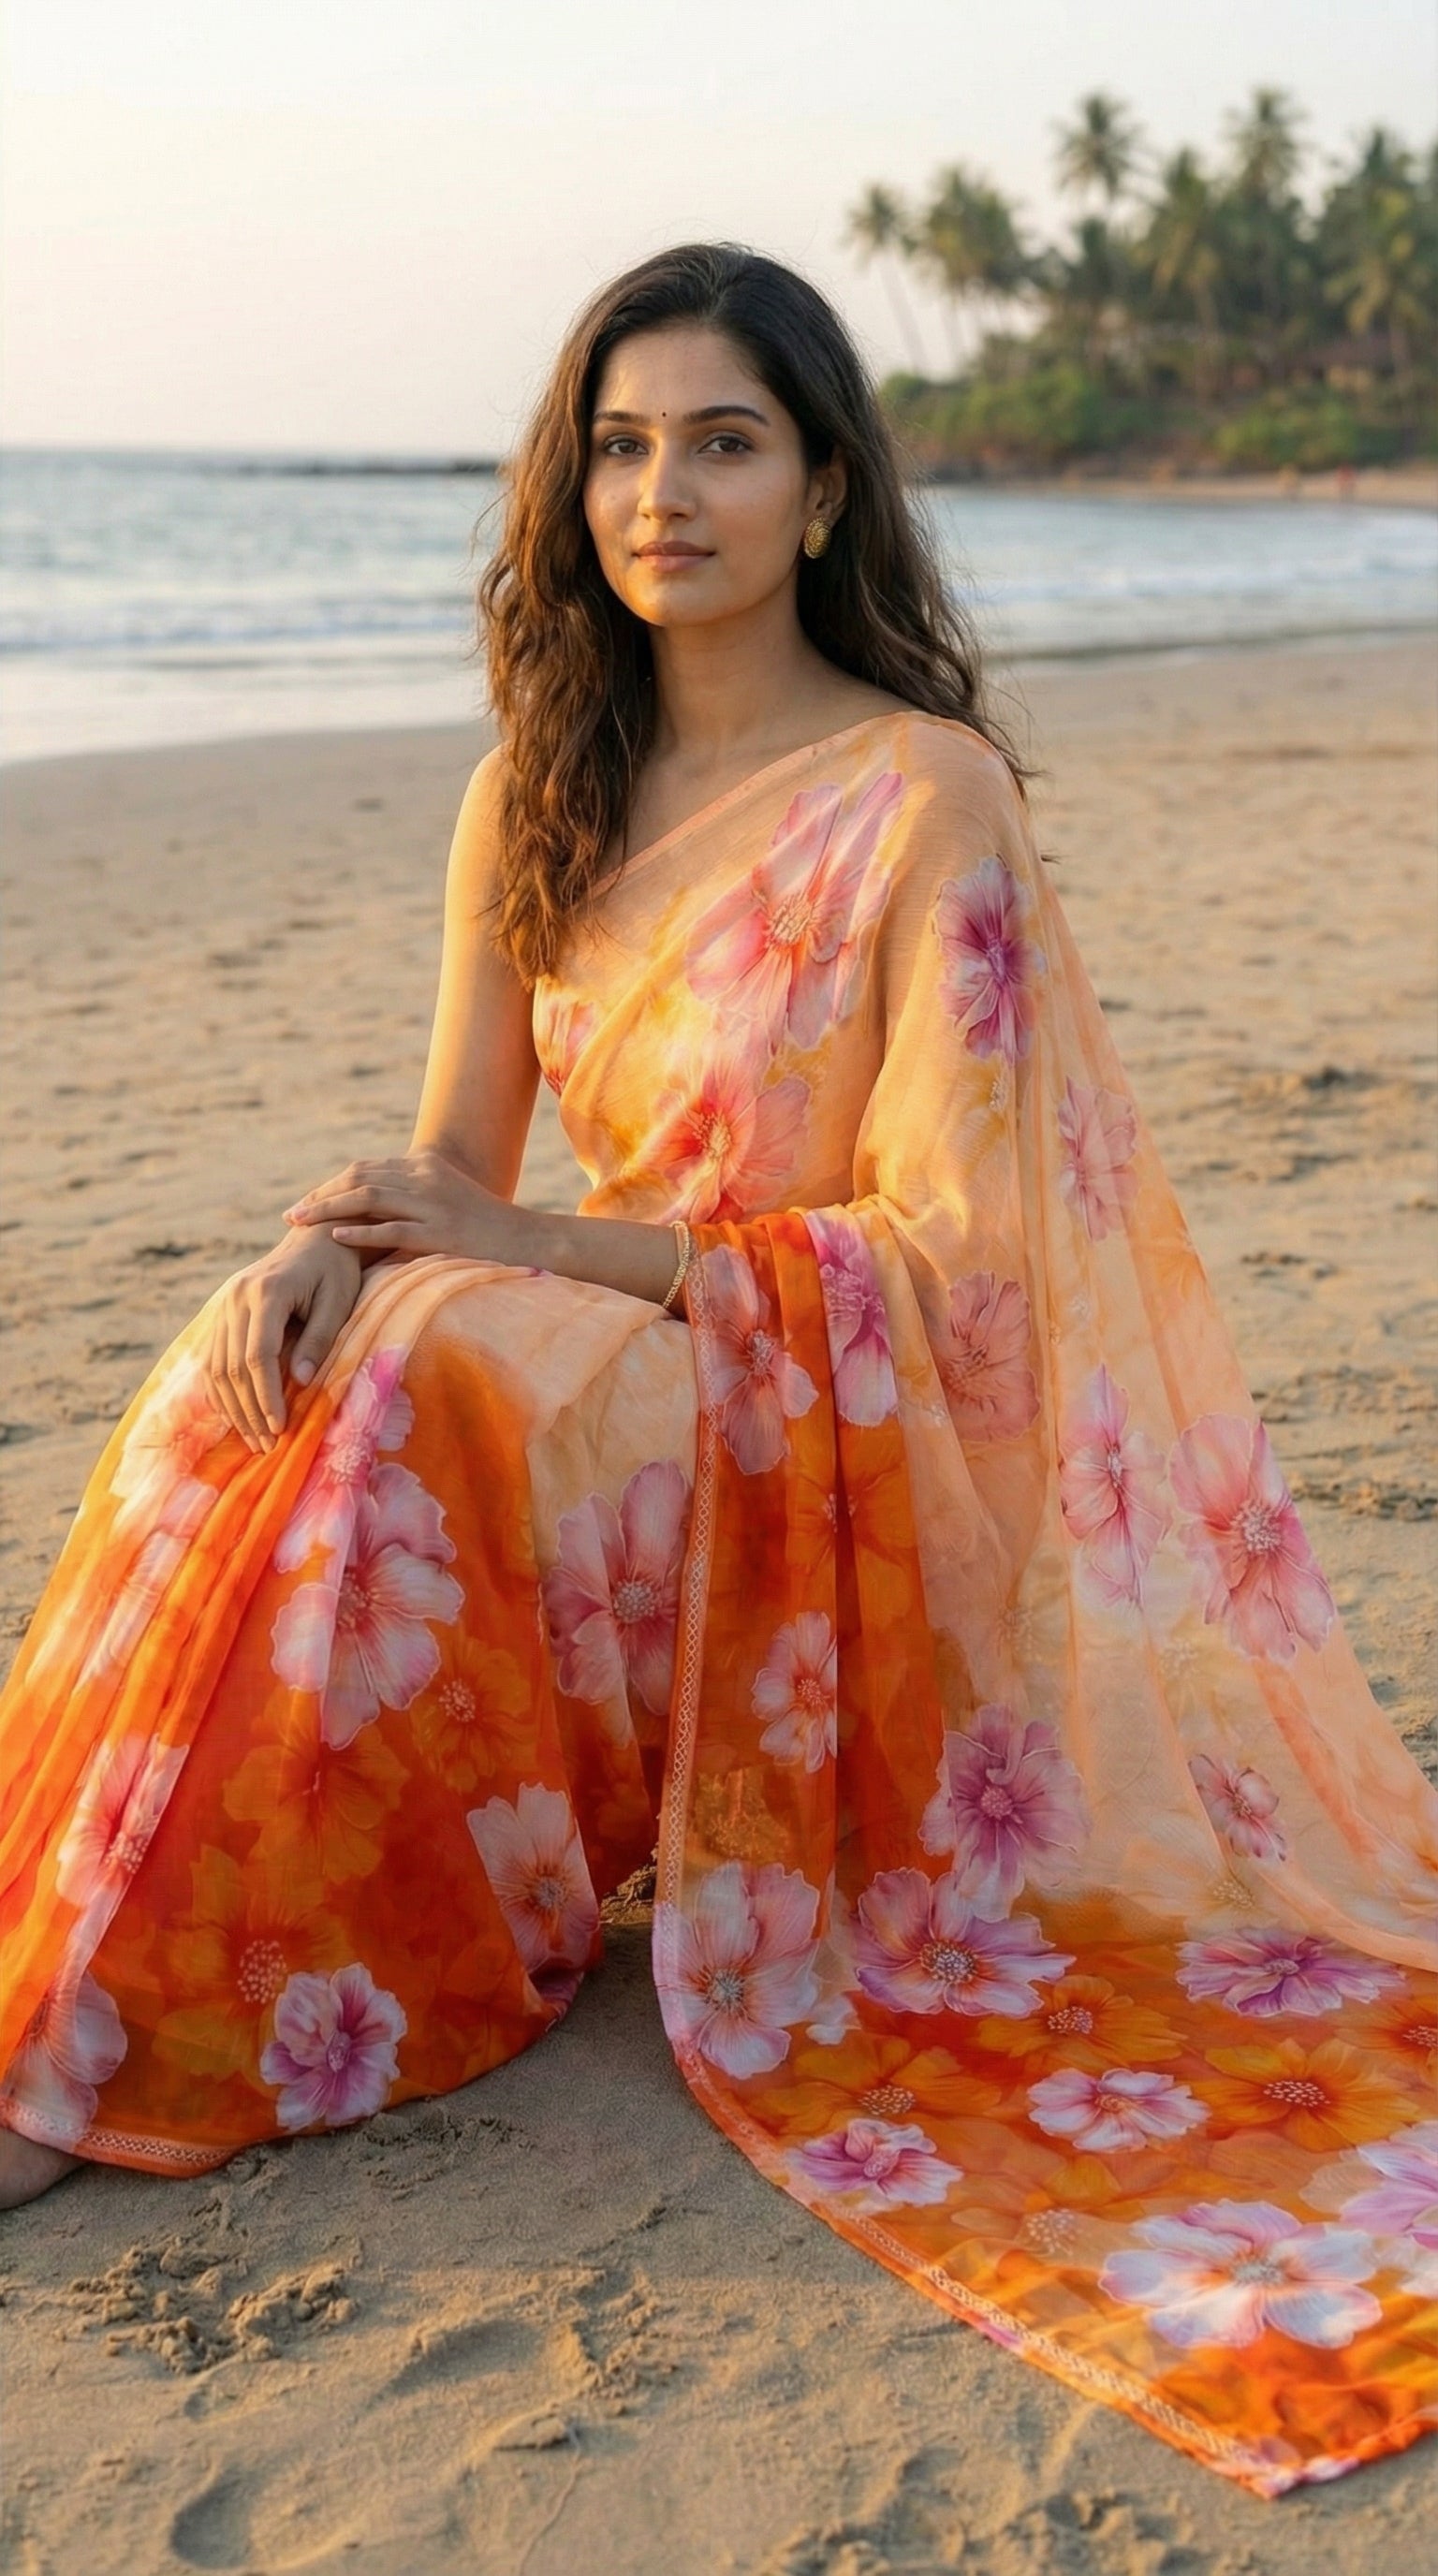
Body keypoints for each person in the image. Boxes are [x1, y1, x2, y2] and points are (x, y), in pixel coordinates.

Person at [1, 243, 1433, 2497]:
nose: (664, 490)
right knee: (250, 1365)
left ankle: (145, 2030)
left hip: (837, 1464)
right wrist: (321, 1238)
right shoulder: (532, 788)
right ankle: (101, 1985)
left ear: (829, 490)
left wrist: (508, 1253)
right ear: (574, 491)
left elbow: (958, 1277)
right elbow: (457, 1154)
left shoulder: (920, 791)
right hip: (615, 1379)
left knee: (444, 1359)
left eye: (726, 442)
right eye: (622, 444)